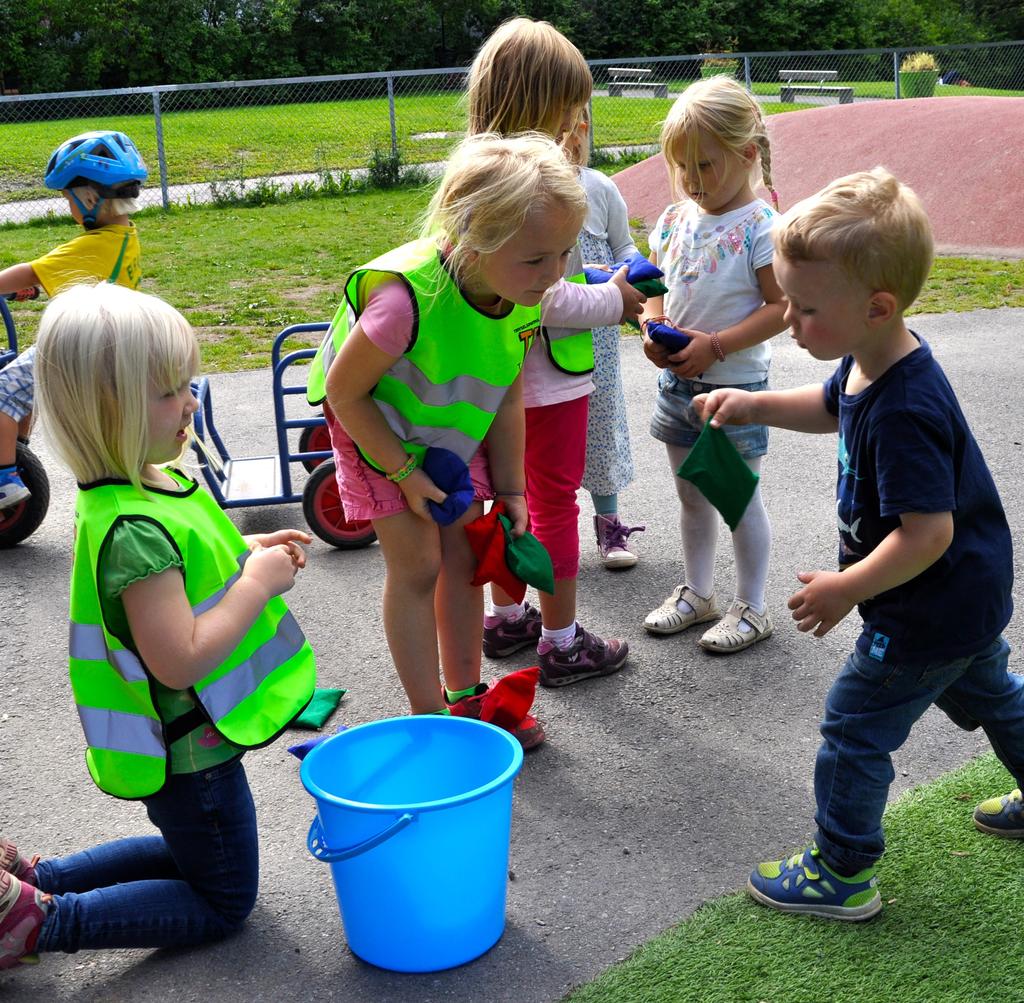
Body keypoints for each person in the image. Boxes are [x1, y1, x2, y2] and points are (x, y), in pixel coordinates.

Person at [695, 167, 1024, 920]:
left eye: (804, 309)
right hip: (963, 602)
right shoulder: (872, 357)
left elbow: (928, 533)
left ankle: (841, 870)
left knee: (852, 725)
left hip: (923, 610)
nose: (788, 322)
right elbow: (827, 404)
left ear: (877, 306)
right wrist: (751, 402)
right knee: (993, 695)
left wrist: (850, 588)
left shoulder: (906, 407)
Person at [0, 282, 316, 969]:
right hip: (192, 751)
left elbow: (188, 569)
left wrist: (247, 555)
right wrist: (259, 586)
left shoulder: (146, 480)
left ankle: (34, 887)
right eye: (171, 391)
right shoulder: (134, 530)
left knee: (189, 851)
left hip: (188, 744)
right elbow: (180, 658)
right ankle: (39, 924)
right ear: (108, 410)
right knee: (224, 895)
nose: (191, 402)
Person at [307, 132, 590, 749]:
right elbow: (344, 392)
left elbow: (508, 390)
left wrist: (512, 488)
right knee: (418, 565)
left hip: (446, 429)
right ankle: (427, 713)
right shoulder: (403, 302)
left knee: (463, 566)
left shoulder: (521, 292)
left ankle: (466, 698)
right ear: (471, 236)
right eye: (538, 258)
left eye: (564, 253)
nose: (555, 275)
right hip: (377, 429)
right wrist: (404, 475)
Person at [467, 16, 645, 682]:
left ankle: (507, 617)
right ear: (541, 108)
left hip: (486, 382)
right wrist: (615, 302)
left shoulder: (477, 179)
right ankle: (561, 637)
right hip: (548, 382)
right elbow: (540, 298)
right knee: (550, 503)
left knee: (500, 501)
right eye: (571, 109)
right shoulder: (530, 185)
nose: (579, 123)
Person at [640, 75, 786, 654]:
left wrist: (717, 345)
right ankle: (698, 593)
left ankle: (752, 606)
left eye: (706, 165)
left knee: (737, 496)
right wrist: (652, 326)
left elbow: (782, 308)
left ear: (747, 154)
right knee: (691, 494)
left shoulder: (761, 227)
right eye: (683, 168)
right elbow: (652, 283)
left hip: (735, 388)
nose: (694, 181)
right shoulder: (676, 218)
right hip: (677, 383)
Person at [0, 129, 146, 510]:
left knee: (0, 394)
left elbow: (29, 272)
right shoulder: (125, 236)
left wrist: (16, 284)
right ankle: (18, 449)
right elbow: (85, 277)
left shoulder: (89, 244)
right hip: (112, 338)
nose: (69, 208)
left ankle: (4, 479)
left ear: (89, 198)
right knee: (21, 378)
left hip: (79, 346)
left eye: (68, 199)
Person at [562, 110, 645, 570]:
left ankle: (609, 523)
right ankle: (547, 525)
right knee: (548, 431)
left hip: (597, 334)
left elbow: (623, 245)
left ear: (583, 131)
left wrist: (633, 271)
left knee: (601, 420)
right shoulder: (523, 187)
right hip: (543, 333)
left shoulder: (599, 186)